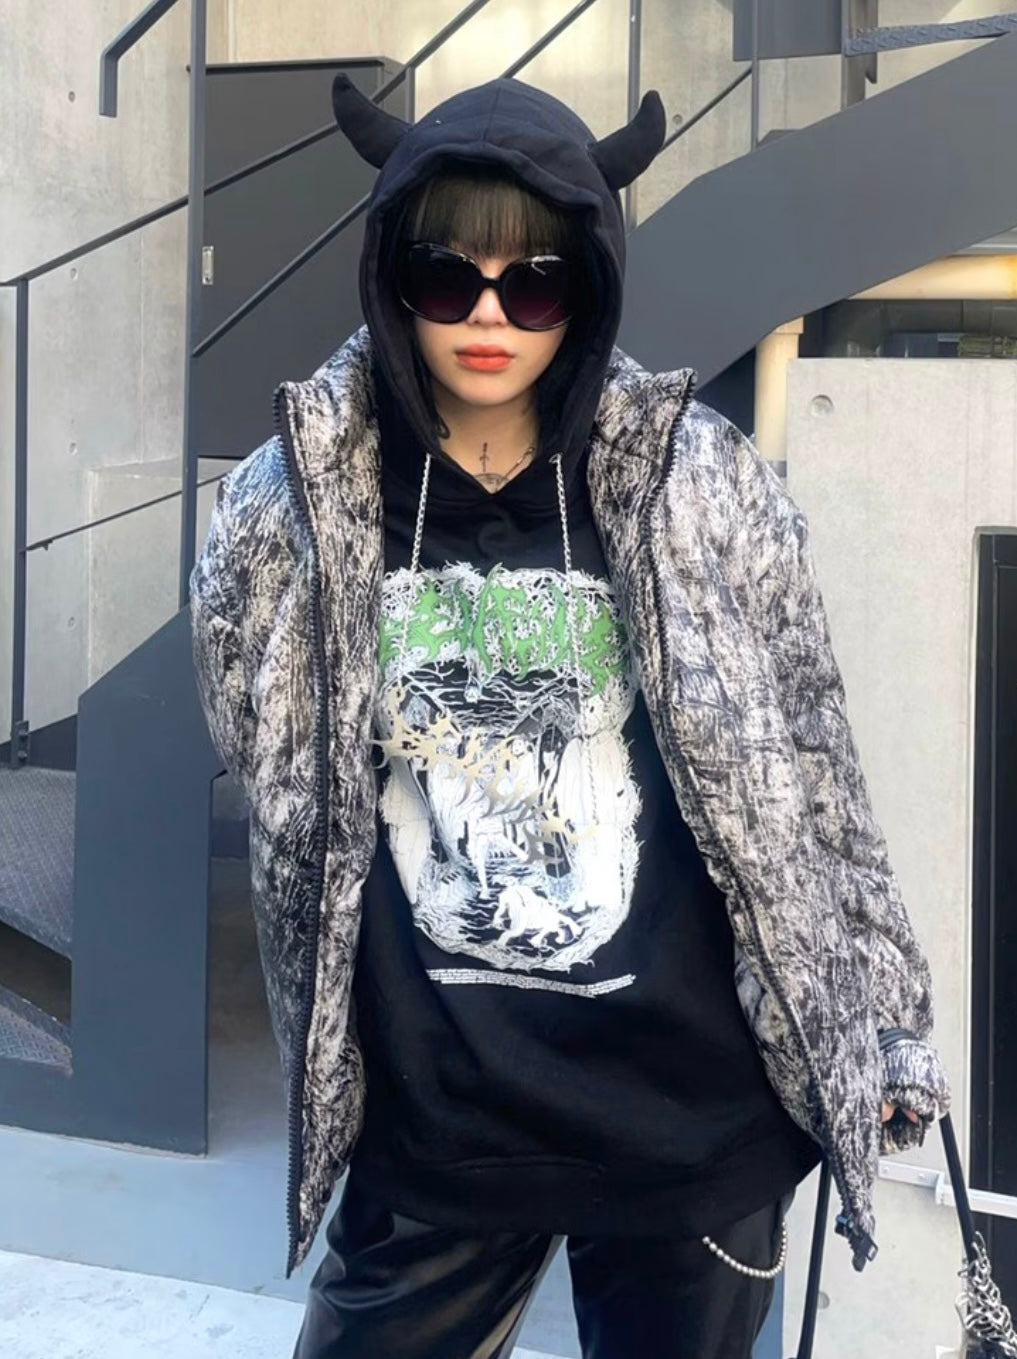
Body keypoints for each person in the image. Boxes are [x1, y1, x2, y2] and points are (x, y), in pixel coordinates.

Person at [189, 74, 951, 1359]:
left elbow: (812, 762)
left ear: (586, 285)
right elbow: (256, 739)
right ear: (391, 278)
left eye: (532, 282)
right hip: (434, 1120)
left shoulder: (694, 479)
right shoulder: (293, 499)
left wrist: (885, 1021)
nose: (488, 315)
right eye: (446, 276)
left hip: (687, 1119)